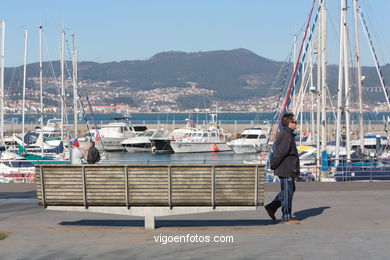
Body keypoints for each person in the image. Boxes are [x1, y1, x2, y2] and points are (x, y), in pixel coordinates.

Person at [265, 113, 300, 224]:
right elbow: (280, 153)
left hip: (288, 169)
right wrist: (273, 164)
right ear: (289, 123)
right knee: (287, 193)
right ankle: (286, 217)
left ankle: (272, 207)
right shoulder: (286, 135)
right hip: (286, 169)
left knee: (289, 190)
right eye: (294, 122)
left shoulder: (287, 134)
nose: (296, 124)